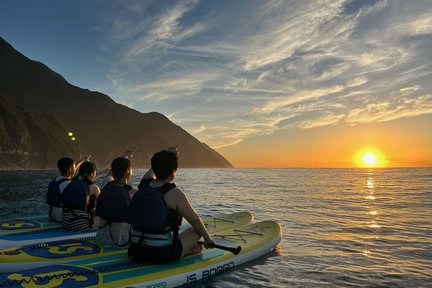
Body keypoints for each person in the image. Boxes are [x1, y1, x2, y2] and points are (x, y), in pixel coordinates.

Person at [128, 146, 215, 264]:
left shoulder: (144, 185)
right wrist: (208, 239)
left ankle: (185, 249)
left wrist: (167, 155)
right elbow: (195, 219)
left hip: (135, 249)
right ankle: (185, 250)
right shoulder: (174, 193)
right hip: (161, 254)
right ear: (173, 172)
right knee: (196, 229)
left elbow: (152, 172)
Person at [96, 157, 137, 247]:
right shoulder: (134, 194)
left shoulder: (106, 186)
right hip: (121, 241)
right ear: (127, 171)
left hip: (101, 238)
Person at [46, 155, 90, 222]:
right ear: (70, 169)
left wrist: (83, 160)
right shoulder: (68, 185)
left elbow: (73, 168)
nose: (75, 168)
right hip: (63, 218)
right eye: (74, 167)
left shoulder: (56, 180)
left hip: (53, 215)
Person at [60, 161, 100, 231]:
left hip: (66, 223)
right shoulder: (94, 187)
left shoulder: (72, 183)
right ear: (92, 173)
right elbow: (102, 208)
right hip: (82, 226)